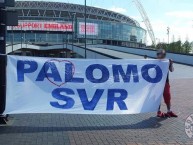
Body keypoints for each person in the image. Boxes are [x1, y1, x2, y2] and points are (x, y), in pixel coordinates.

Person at [156, 49, 178, 118]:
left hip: (165, 82)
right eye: (158, 53)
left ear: (164, 55)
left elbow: (172, 70)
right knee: (157, 98)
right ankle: (158, 112)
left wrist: (171, 64)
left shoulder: (167, 62)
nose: (159, 55)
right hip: (157, 84)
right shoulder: (154, 62)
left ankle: (169, 111)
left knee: (168, 97)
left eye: (161, 54)